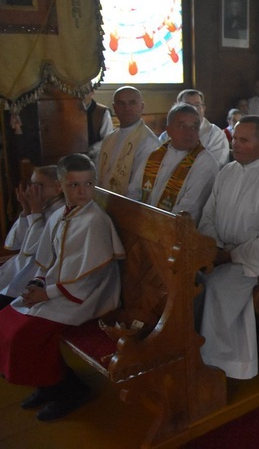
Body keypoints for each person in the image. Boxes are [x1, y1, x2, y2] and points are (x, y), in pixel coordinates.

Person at [0, 153, 124, 421]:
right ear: (61, 185)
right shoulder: (59, 215)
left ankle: (69, 390)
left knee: (26, 334)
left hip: (87, 296)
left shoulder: (95, 220)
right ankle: (46, 385)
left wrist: (46, 293)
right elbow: (46, 260)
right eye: (74, 185)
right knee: (6, 320)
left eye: (88, 184)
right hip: (58, 288)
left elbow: (90, 277)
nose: (82, 191)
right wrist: (36, 284)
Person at [197, 116, 259, 380]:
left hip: (257, 263)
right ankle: (194, 351)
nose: (235, 144)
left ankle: (221, 365)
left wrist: (229, 255)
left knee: (216, 285)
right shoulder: (227, 171)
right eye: (234, 139)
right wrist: (214, 248)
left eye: (243, 140)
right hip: (221, 253)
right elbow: (208, 216)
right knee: (190, 278)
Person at [127, 103, 219, 224]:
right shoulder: (155, 156)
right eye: (182, 126)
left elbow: (188, 210)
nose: (189, 132)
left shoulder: (205, 162)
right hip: (143, 225)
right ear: (168, 130)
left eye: (194, 127)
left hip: (175, 232)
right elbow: (133, 193)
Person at [0, 166, 64, 310]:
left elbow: (34, 248)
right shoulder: (44, 206)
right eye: (32, 184)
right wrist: (26, 210)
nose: (32, 190)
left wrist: (35, 212)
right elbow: (16, 243)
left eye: (39, 185)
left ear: (57, 187)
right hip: (18, 270)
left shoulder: (61, 211)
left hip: (34, 277)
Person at [96, 86, 160, 195]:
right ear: (114, 107)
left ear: (142, 106)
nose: (127, 108)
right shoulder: (109, 139)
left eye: (132, 103)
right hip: (103, 202)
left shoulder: (148, 142)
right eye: (121, 103)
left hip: (126, 205)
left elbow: (137, 187)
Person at [159, 89, 230, 166]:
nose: (193, 109)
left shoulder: (216, 135)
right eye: (187, 105)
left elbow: (216, 166)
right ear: (177, 109)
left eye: (197, 105)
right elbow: (157, 161)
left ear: (203, 109)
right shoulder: (167, 135)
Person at [80, 90, 114, 160]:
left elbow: (107, 139)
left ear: (92, 92)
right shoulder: (67, 110)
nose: (80, 95)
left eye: (84, 91)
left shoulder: (102, 112)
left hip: (95, 158)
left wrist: (89, 151)